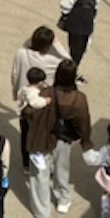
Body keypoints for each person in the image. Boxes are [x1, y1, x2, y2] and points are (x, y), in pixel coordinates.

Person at [25, 60, 92, 218]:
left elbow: (28, 112)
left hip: (41, 138)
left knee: (40, 175)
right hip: (64, 138)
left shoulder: (45, 92)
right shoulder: (79, 98)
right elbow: (84, 122)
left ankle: (43, 213)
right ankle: (63, 199)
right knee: (62, 169)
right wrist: (85, 142)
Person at [11, 26, 70, 173]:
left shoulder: (21, 54)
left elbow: (14, 75)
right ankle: (43, 164)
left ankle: (26, 164)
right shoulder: (52, 61)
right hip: (44, 104)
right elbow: (69, 62)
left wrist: (15, 94)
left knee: (25, 133)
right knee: (44, 133)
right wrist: (58, 44)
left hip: (25, 102)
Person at [58, 0, 101, 82]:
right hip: (76, 23)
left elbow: (96, 9)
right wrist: (66, 16)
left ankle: (72, 72)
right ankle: (69, 75)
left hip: (87, 25)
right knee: (75, 51)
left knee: (81, 51)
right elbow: (66, 3)